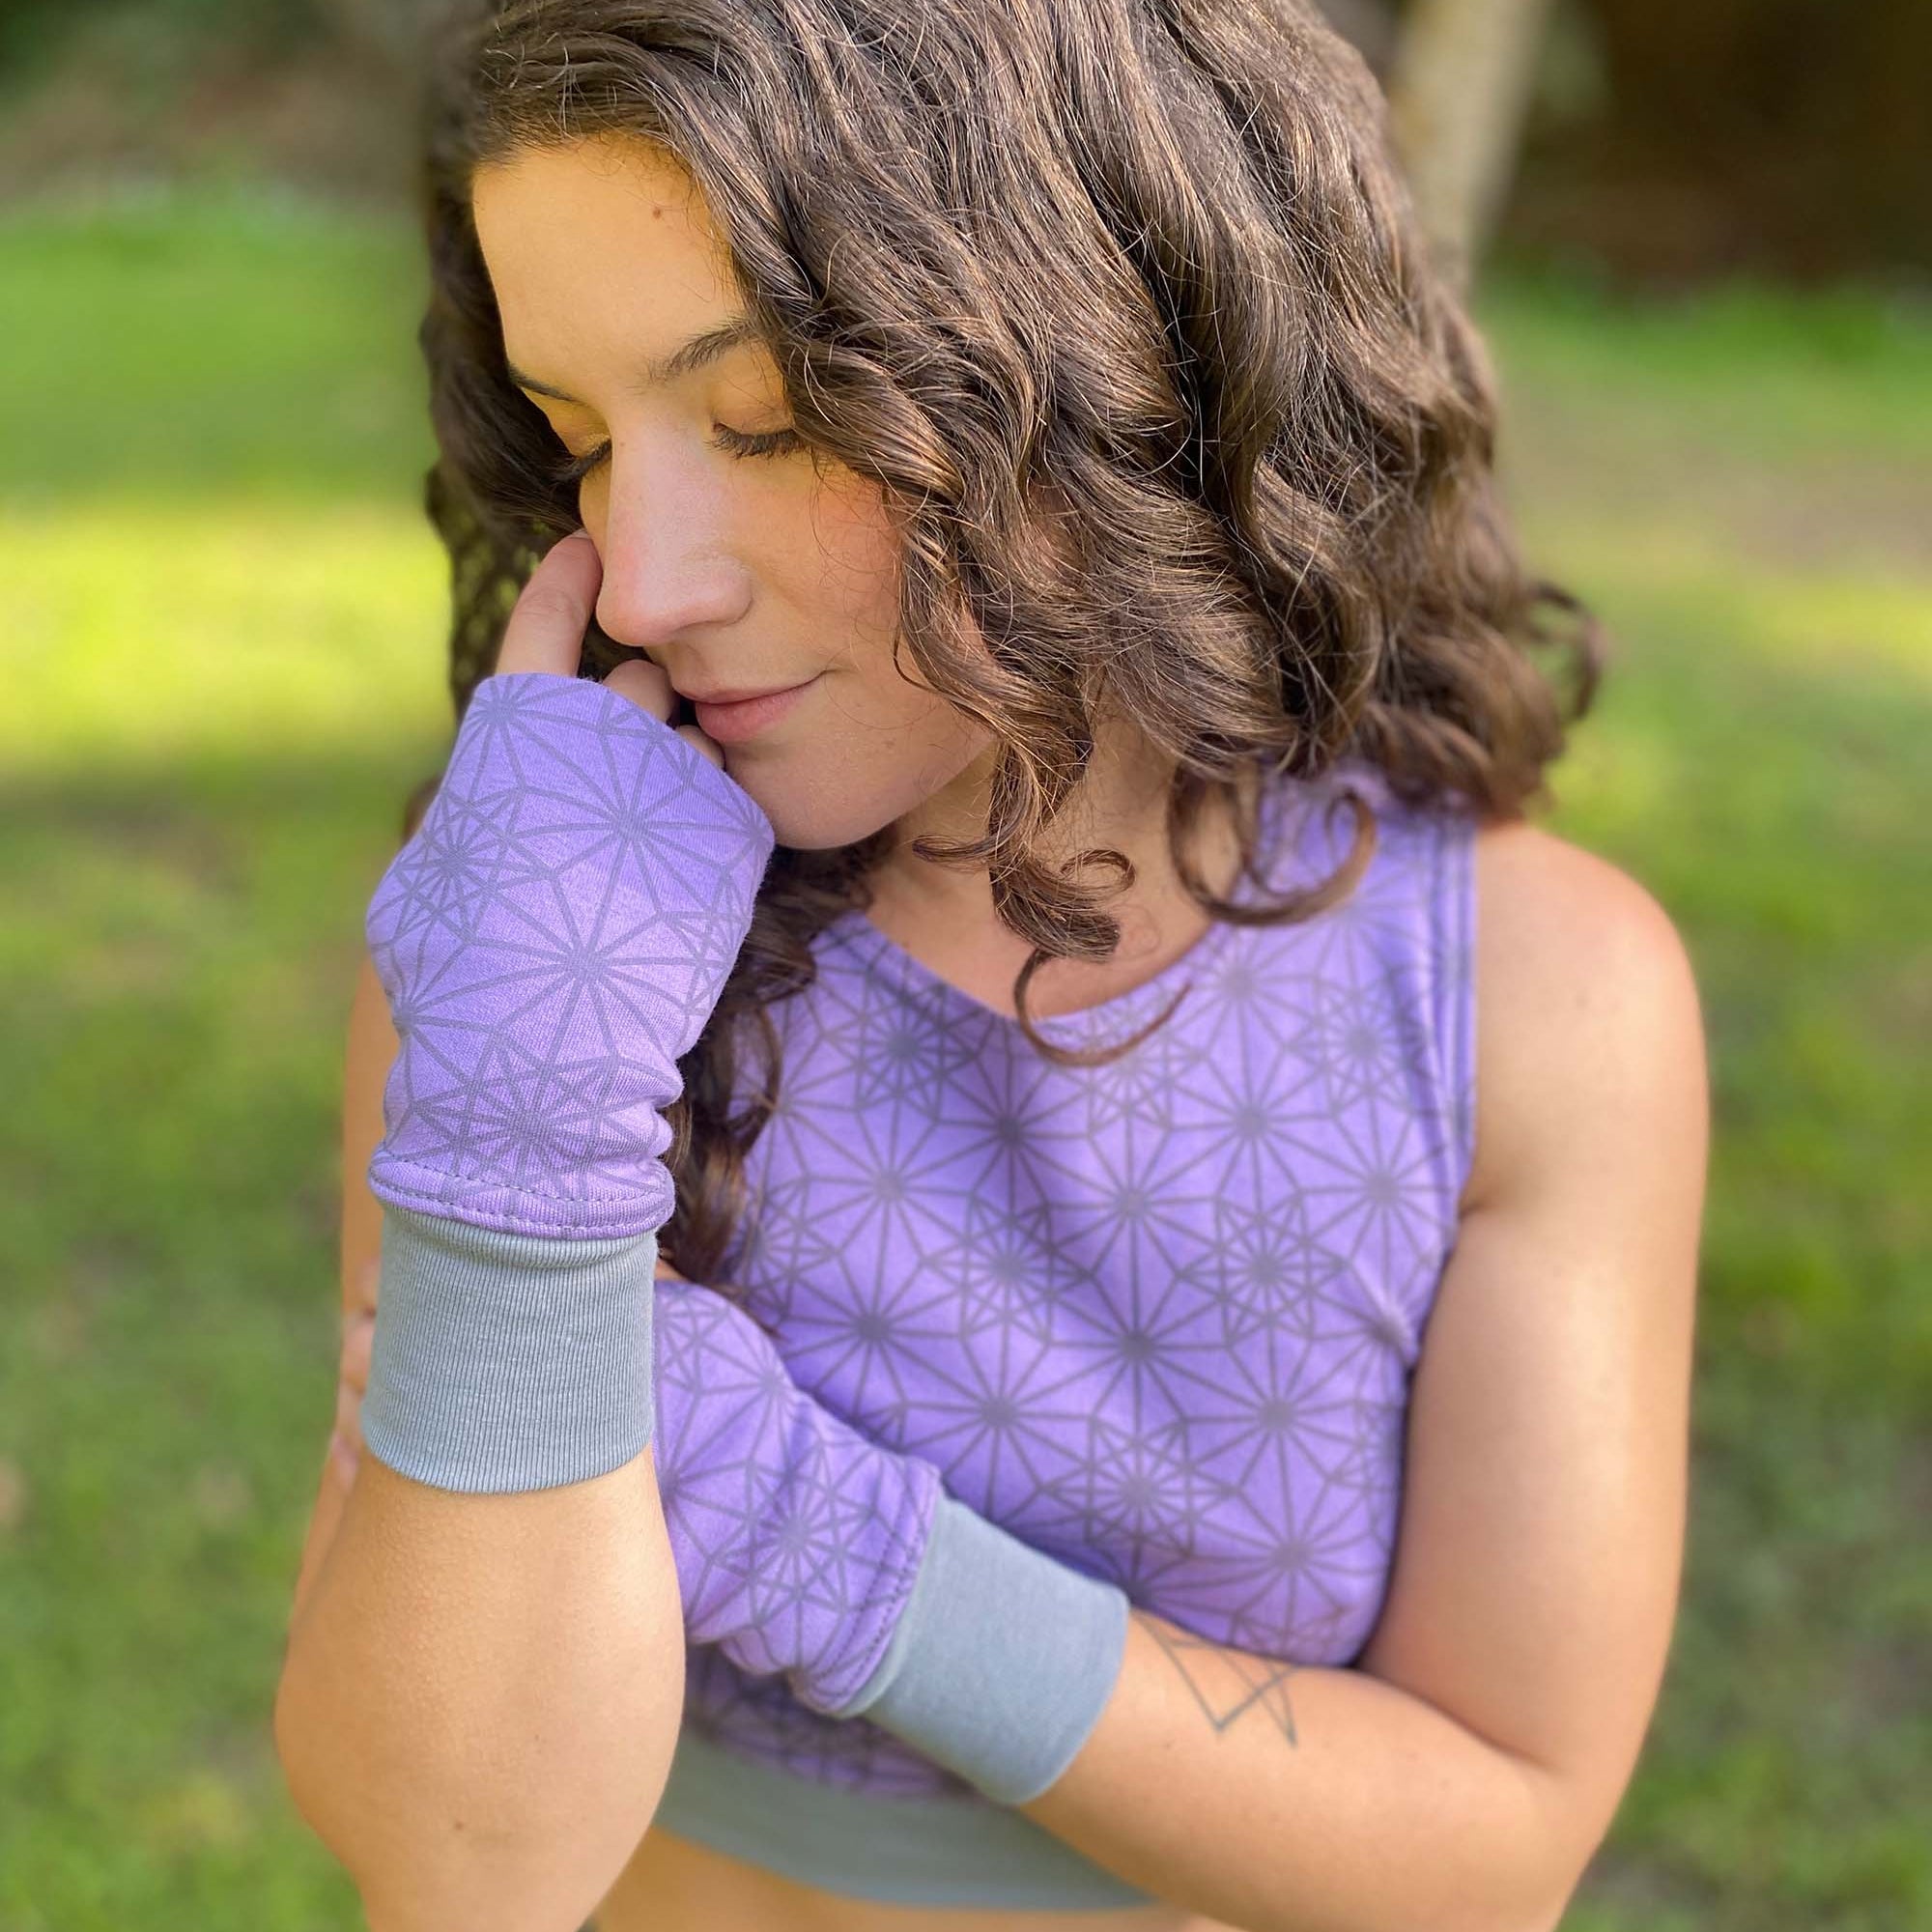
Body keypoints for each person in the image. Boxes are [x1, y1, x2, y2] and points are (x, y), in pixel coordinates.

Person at [275, 2, 1710, 1930]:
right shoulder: (543, 942)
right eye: (585, 438)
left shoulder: (1528, 996)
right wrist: (518, 1158)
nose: (643, 579)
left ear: (1124, 330)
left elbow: (1490, 1845)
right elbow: (451, 1864)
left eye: (771, 414)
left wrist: (830, 1549)